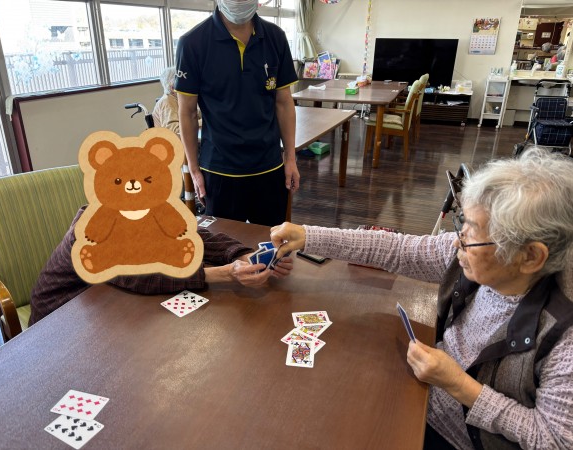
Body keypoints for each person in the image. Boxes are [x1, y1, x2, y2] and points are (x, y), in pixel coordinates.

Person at [270, 148, 573, 449]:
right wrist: (309, 236)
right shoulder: (474, 258)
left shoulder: (564, 340)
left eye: (472, 234)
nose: (457, 241)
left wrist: (459, 385)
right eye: (462, 223)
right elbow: (396, 250)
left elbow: (554, 440)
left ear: (530, 257)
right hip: (420, 394)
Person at [29, 206, 293, 325]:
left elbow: (194, 235)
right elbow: (141, 276)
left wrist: (243, 255)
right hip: (58, 322)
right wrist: (225, 273)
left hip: (106, 307)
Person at [174, 0, 300, 227]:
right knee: (225, 244)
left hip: (269, 166)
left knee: (272, 242)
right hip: (219, 169)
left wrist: (290, 158)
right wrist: (194, 170)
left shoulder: (275, 37)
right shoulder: (192, 43)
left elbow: (283, 103)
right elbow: (188, 113)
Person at [152, 67, 202, 135]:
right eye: (185, 83)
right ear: (173, 88)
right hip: (173, 140)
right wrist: (202, 122)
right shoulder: (167, 101)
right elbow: (174, 131)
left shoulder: (181, 100)